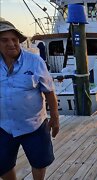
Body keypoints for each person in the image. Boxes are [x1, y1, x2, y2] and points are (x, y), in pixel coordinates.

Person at [0, 20, 59, 180]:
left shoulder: (35, 61)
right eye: (4, 40)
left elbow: (49, 91)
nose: (11, 44)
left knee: (39, 162)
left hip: (34, 125)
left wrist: (55, 117)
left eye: (14, 39)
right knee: (2, 164)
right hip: (3, 126)